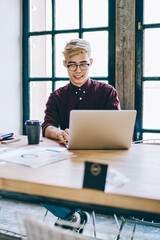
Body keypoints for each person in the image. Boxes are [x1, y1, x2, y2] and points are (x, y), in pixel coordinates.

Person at [42, 38, 120, 233]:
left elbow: (116, 128)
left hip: (99, 165)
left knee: (79, 188)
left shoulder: (107, 92)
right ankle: (73, 217)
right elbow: (47, 126)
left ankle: (71, 216)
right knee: (35, 187)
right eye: (72, 64)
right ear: (65, 64)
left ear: (90, 63)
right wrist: (60, 132)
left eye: (83, 64)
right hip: (66, 162)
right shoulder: (57, 96)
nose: (78, 70)